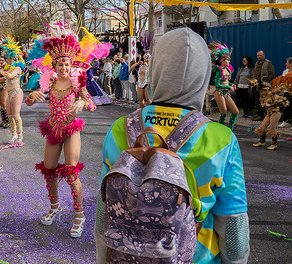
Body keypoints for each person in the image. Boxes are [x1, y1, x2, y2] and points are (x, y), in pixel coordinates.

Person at [95, 28, 250, 264]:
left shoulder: (120, 128)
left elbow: (103, 209)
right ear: (202, 75)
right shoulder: (221, 138)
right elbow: (233, 223)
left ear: (156, 70)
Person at [25, 22, 96, 238]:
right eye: (60, 65)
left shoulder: (78, 84)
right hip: (54, 130)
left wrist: (82, 103)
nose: (63, 68)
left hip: (71, 130)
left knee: (71, 172)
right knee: (49, 169)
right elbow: (29, 102)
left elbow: (92, 105)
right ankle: (54, 206)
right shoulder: (49, 83)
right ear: (54, 66)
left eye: (66, 64)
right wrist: (30, 97)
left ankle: (79, 215)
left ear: (71, 64)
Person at [0, 36, 25, 144]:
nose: (6, 59)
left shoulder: (18, 68)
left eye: (8, 57)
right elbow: (6, 75)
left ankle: (20, 135)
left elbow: (10, 75)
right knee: (10, 115)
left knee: (16, 115)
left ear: (13, 57)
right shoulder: (7, 68)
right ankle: (13, 134)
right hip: (8, 92)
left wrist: (1, 72)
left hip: (16, 92)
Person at [210, 42, 239, 130]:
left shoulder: (227, 69)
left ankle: (230, 130)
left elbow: (226, 81)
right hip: (219, 93)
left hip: (226, 93)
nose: (229, 61)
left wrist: (231, 84)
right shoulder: (219, 70)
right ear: (221, 61)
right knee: (224, 112)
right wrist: (229, 87)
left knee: (235, 111)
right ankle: (220, 130)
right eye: (227, 60)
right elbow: (218, 85)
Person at [252, 50, 275, 120]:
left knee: (265, 100)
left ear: (264, 55)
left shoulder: (268, 63)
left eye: (260, 55)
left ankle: (265, 115)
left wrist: (264, 82)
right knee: (258, 100)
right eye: (258, 55)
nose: (259, 57)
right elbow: (254, 74)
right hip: (257, 85)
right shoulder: (256, 64)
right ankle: (260, 115)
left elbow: (272, 74)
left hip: (264, 86)